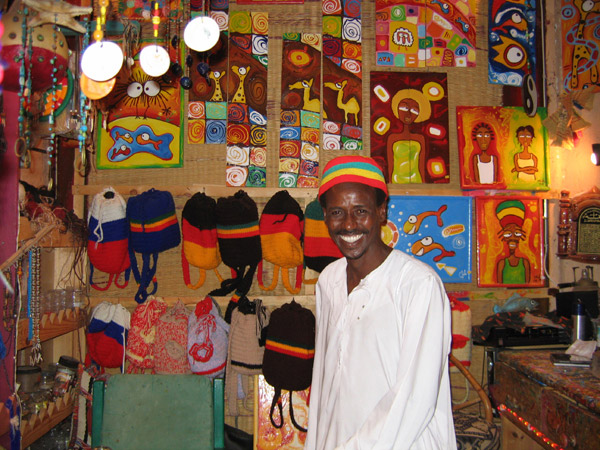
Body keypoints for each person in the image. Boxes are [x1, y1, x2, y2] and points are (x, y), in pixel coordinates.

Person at [306, 155, 456, 449]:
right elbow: (324, 382)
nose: (349, 224)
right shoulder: (329, 281)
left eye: (360, 211)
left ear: (382, 211)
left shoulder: (417, 285)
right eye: (337, 212)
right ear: (324, 216)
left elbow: (415, 398)